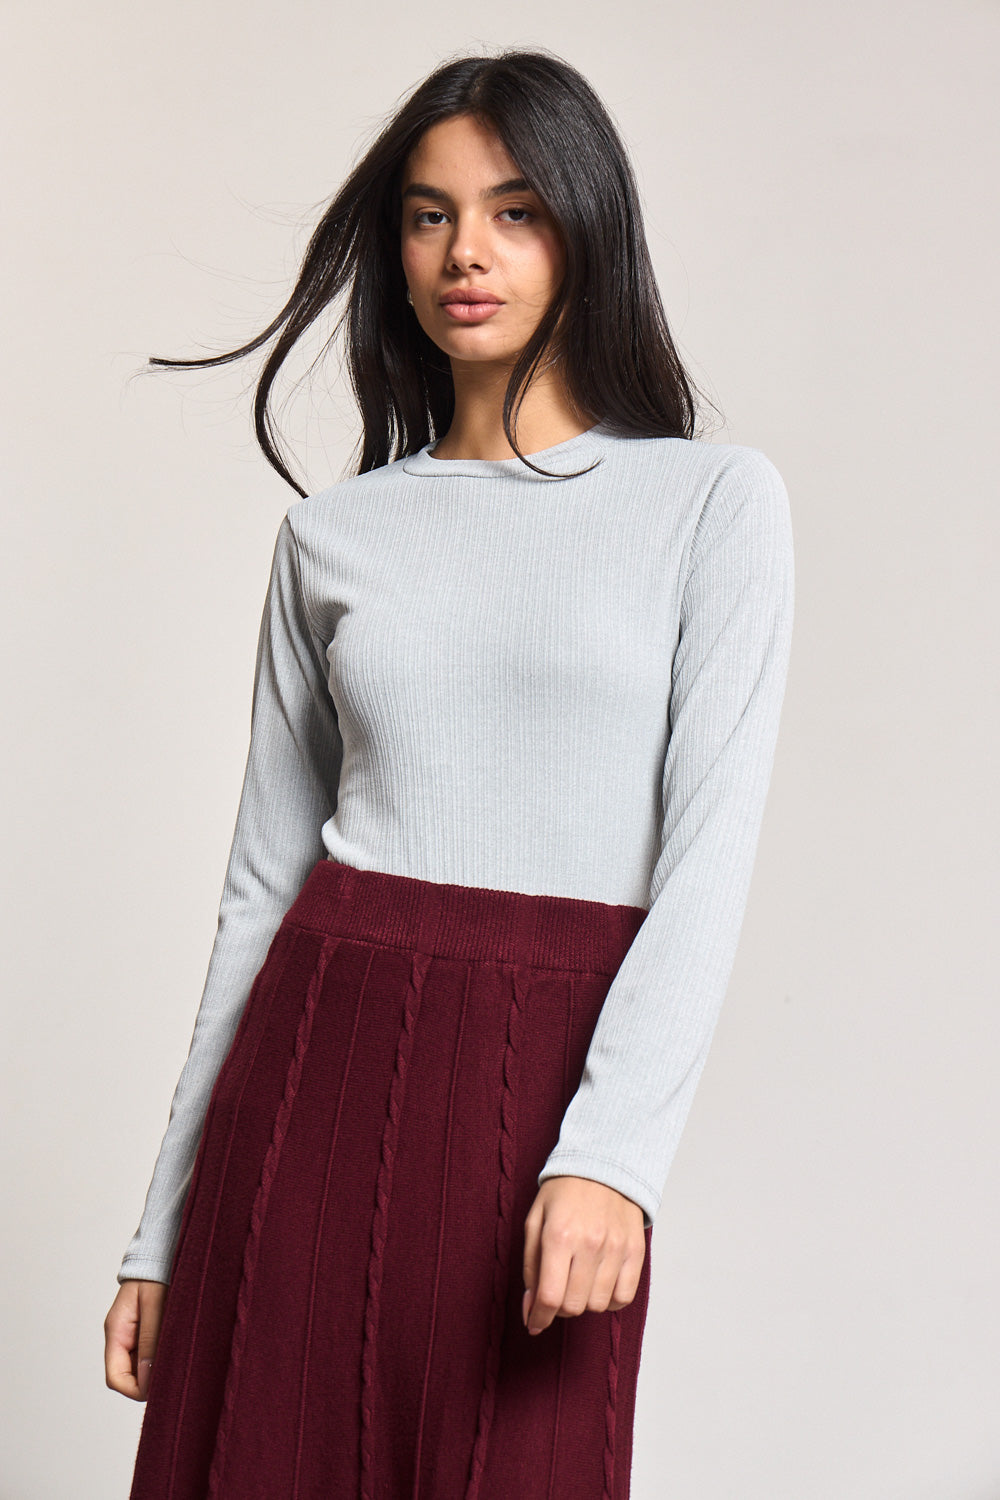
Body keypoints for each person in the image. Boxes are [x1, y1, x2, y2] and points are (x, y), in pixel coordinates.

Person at [103, 45, 795, 1500]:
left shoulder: (709, 504)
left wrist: (615, 1156)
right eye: (430, 216)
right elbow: (260, 891)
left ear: (586, 229)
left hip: (546, 1079)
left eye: (514, 210)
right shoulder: (335, 537)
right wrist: (160, 1233)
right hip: (316, 1065)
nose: (465, 251)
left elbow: (708, 861)